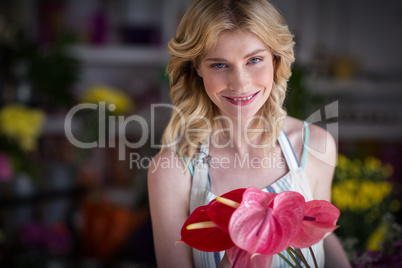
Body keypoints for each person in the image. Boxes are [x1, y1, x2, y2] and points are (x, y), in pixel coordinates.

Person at [148, 0, 351, 267]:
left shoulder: (314, 145)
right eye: (219, 65)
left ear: (276, 59)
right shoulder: (171, 171)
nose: (240, 83)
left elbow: (319, 234)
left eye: (254, 60)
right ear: (196, 67)